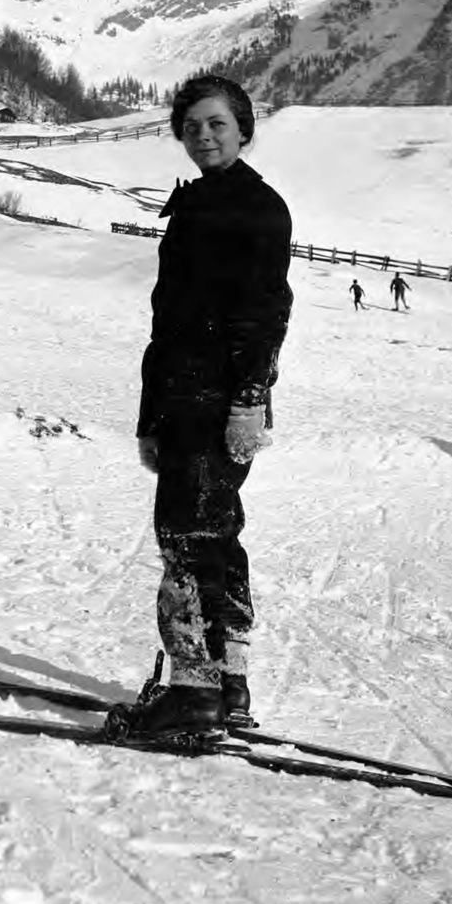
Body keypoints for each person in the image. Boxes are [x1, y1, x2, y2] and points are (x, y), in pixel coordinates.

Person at [124, 75, 293, 742]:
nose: (204, 135)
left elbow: (266, 313)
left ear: (243, 129)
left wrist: (250, 399)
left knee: (187, 537)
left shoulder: (257, 208)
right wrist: (148, 416)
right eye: (192, 125)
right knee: (215, 533)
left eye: (217, 124)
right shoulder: (195, 206)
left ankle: (193, 694)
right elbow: (166, 324)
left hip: (220, 399)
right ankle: (230, 681)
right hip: (181, 397)